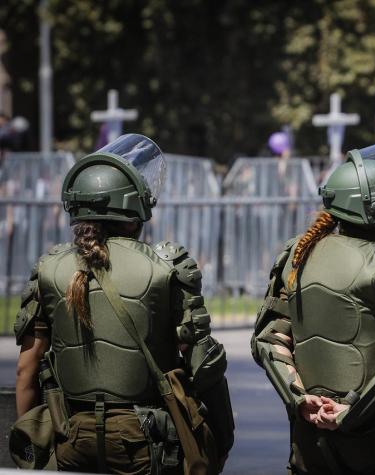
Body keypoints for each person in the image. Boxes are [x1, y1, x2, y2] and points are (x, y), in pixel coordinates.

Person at [13, 134, 234, 473]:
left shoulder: (48, 268)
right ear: (135, 210)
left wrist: (33, 445)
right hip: (147, 444)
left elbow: (25, 372)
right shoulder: (167, 266)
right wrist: (222, 437)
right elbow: (203, 364)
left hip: (70, 436)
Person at [252, 134, 375, 474]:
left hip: (311, 439)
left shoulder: (298, 253)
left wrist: (300, 400)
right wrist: (349, 413)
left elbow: (270, 339)